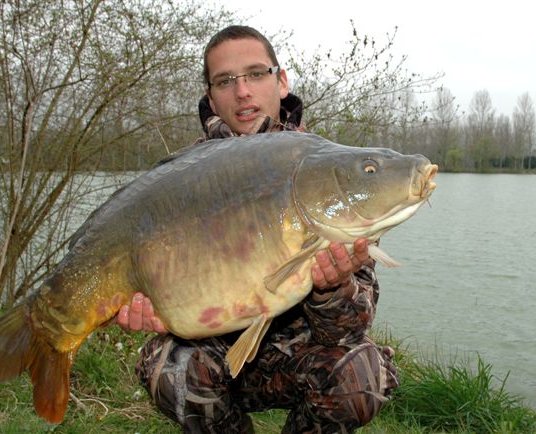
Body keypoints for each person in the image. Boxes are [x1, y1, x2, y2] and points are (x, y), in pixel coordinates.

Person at [116, 25, 399, 433]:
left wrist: (333, 286)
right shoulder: (185, 178)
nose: (242, 91)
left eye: (255, 74)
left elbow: (350, 328)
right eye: (225, 81)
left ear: (281, 81)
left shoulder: (328, 176)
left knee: (362, 376)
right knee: (169, 370)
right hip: (212, 354)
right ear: (211, 96)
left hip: (299, 360)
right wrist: (142, 305)